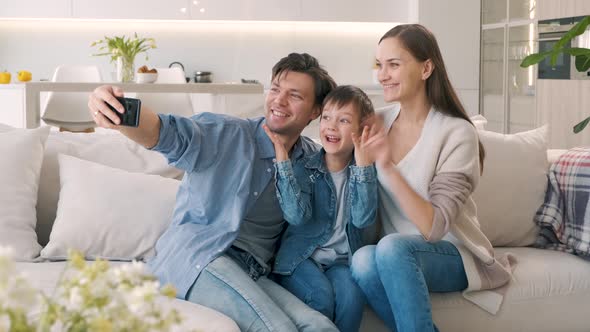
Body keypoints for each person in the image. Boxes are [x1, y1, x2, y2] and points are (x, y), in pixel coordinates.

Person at [87, 53, 340, 332]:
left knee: (319, 326)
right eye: (276, 89)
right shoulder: (226, 133)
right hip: (201, 258)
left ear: (315, 111)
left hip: (252, 270)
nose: (279, 100)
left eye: (294, 96)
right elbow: (165, 133)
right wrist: (113, 106)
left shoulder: (311, 160)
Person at [350, 24, 514, 332]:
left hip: (453, 253)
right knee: (362, 260)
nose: (382, 75)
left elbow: (434, 227)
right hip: (393, 254)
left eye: (394, 65)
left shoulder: (456, 132)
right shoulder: (376, 122)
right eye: (379, 65)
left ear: (426, 68)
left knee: (392, 248)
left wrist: (387, 167)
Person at [264, 85, 378, 332]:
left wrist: (363, 168)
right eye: (326, 117)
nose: (331, 126)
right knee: (320, 297)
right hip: (302, 258)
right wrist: (283, 164)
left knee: (352, 298)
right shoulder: (305, 168)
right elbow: (295, 216)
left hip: (341, 262)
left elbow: (362, 218)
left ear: (361, 130)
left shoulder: (365, 173)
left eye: (344, 120)